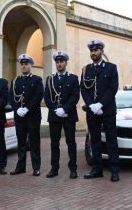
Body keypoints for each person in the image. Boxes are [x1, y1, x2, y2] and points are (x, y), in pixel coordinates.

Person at [80, 39, 120, 182]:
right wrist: (91, 105)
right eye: (91, 50)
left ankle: (114, 170)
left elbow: (113, 88)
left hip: (107, 110)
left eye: (96, 50)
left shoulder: (111, 68)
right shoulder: (86, 70)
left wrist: (101, 104)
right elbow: (83, 88)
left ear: (102, 51)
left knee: (111, 140)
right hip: (92, 111)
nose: (93, 53)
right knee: (94, 140)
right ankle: (97, 169)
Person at [44, 50, 80, 179]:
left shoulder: (73, 78)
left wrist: (64, 109)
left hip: (69, 115)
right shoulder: (50, 79)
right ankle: (54, 168)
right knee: (54, 143)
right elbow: (47, 97)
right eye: (57, 61)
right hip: (54, 116)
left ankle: (73, 169)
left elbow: (75, 96)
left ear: (66, 63)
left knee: (71, 142)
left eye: (61, 61)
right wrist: (56, 110)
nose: (59, 64)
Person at [9, 53, 44, 176]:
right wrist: (17, 109)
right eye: (22, 64)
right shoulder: (15, 81)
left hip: (33, 116)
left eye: (26, 64)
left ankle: (36, 167)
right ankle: (21, 167)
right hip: (19, 116)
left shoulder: (37, 79)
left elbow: (38, 95)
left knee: (34, 142)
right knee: (21, 142)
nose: (23, 66)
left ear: (31, 65)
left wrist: (27, 108)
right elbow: (11, 97)